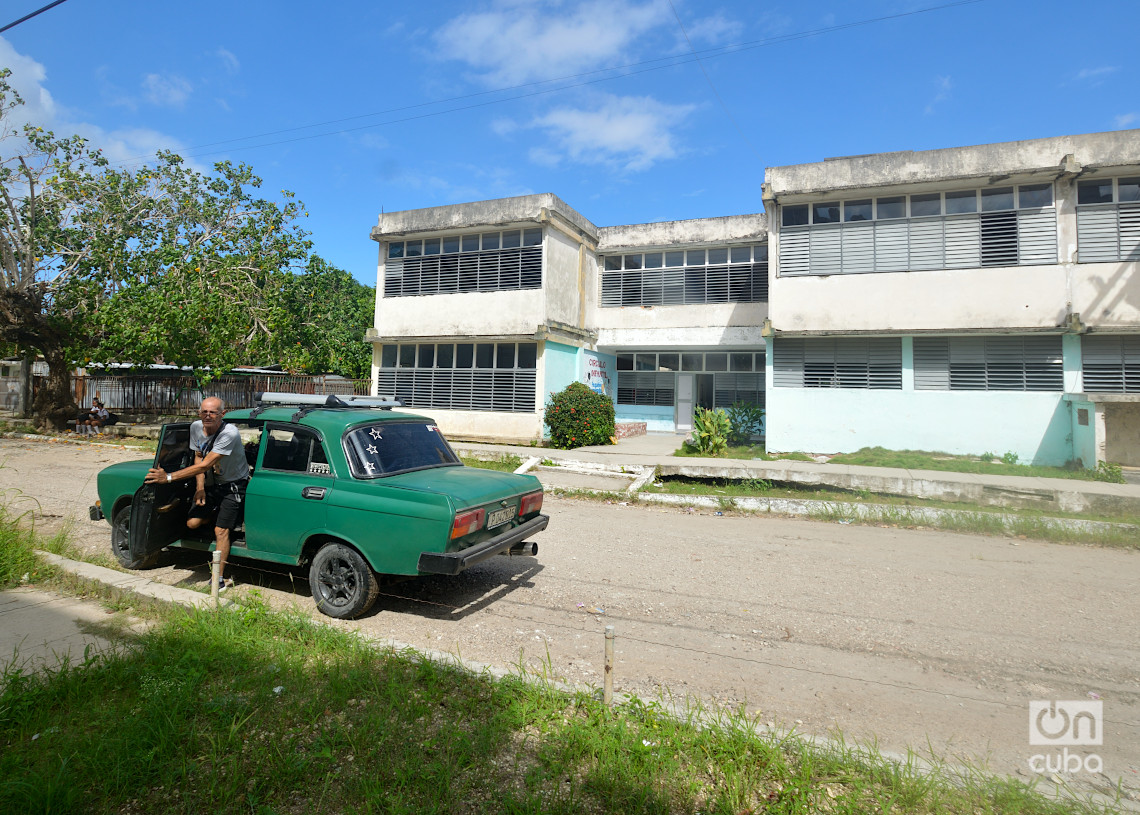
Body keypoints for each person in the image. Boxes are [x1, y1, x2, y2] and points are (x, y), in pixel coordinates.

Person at [143, 397, 250, 590]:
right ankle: (217, 515)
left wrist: (167, 477)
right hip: (211, 483)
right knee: (192, 523)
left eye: (212, 412)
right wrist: (200, 488)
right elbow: (198, 455)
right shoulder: (195, 428)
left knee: (221, 531)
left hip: (233, 484)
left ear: (222, 414)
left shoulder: (230, 433)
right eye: (204, 412)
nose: (207, 416)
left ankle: (218, 580)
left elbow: (206, 464)